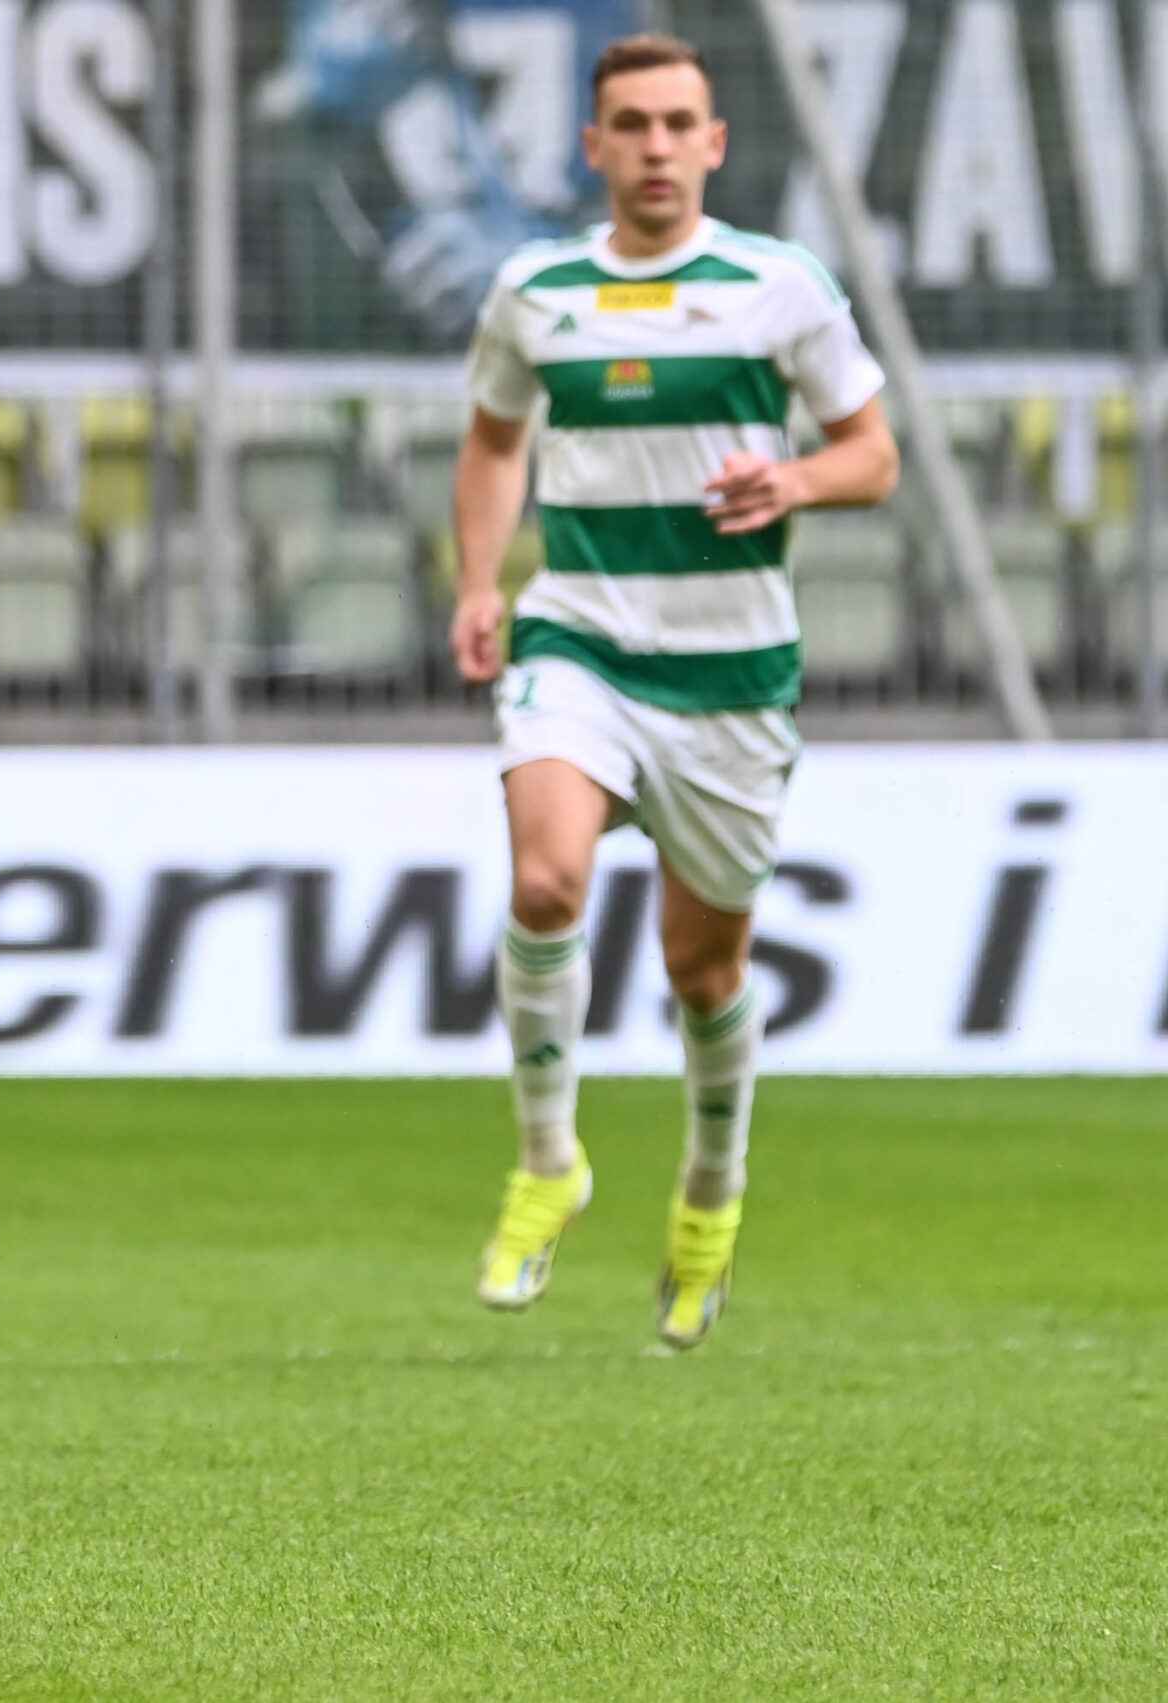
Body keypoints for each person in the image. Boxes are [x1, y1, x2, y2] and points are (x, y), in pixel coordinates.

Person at [451, 34, 898, 1347]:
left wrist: (795, 479)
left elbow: (871, 454)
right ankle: (549, 1161)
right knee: (546, 882)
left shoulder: (779, 286)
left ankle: (710, 1190)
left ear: (713, 143)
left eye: (676, 123)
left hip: (729, 674)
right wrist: (479, 582)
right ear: (592, 145)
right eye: (631, 124)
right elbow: (493, 440)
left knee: (704, 971)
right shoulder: (535, 291)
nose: (655, 146)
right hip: (578, 637)